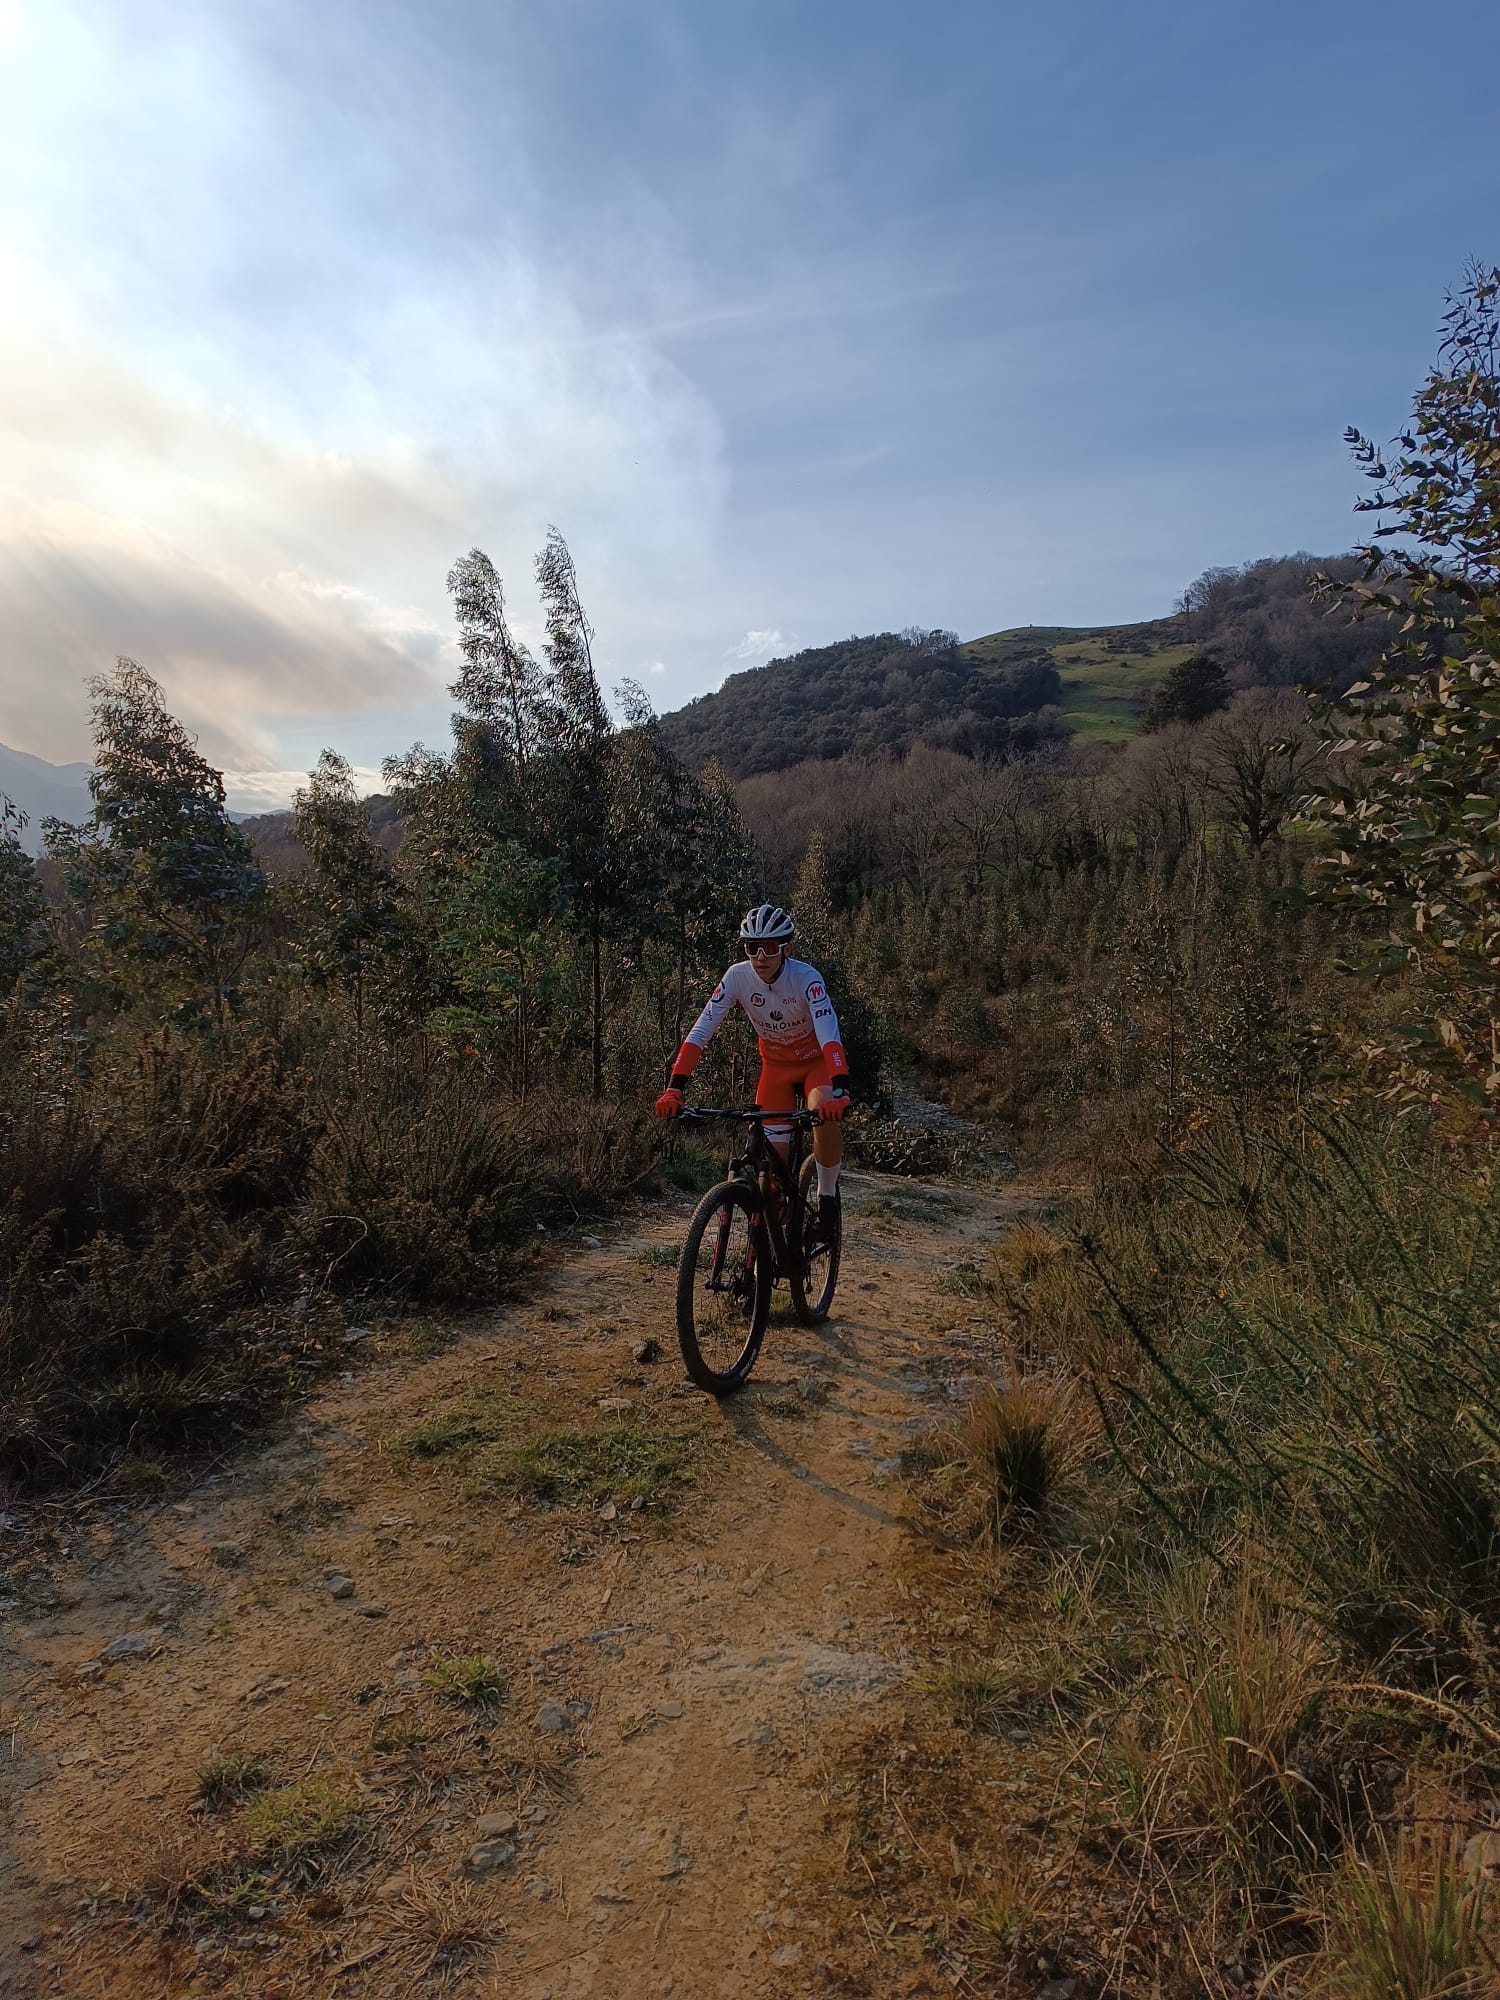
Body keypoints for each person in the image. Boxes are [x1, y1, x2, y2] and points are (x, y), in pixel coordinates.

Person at [654, 903, 850, 1241]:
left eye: (770, 947)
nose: (760, 956)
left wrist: (841, 1089)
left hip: (814, 1063)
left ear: (786, 948)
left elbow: (829, 1034)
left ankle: (827, 1198)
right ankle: (769, 1245)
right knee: (771, 1174)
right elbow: (701, 1032)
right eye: (751, 947)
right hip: (775, 1067)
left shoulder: (806, 979)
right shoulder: (737, 977)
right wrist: (675, 1088)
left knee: (824, 1116)